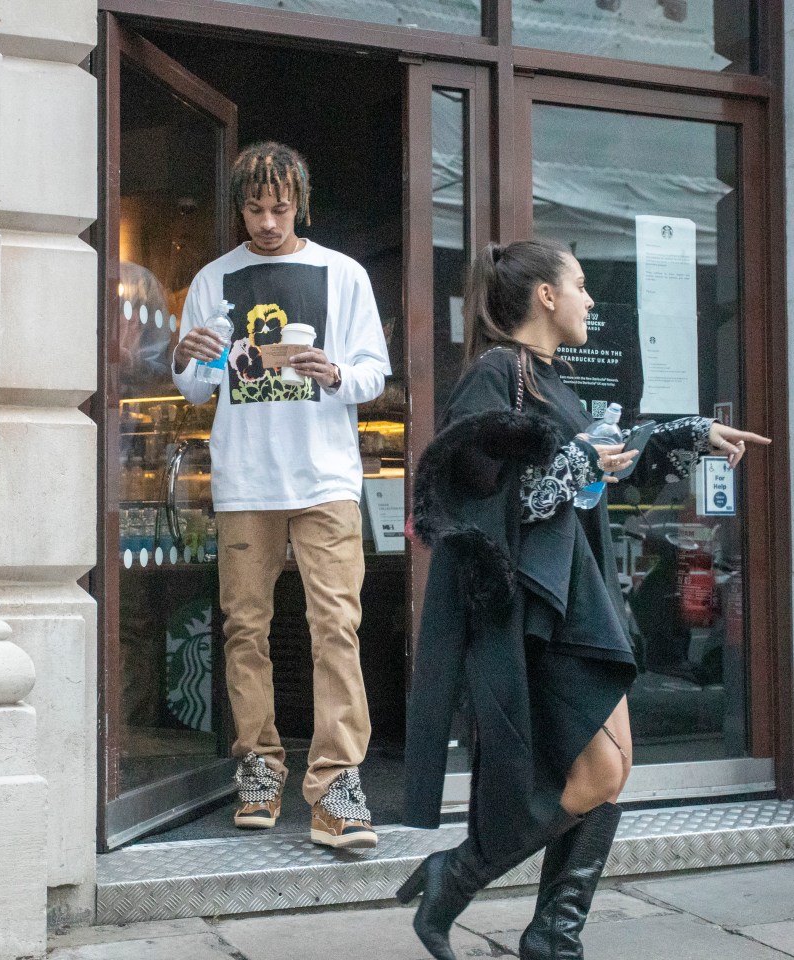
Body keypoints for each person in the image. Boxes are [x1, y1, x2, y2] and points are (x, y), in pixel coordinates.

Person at [398, 239, 770, 959]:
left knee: (611, 772)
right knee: (598, 772)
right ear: (544, 296)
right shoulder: (496, 372)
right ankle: (459, 876)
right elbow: (473, 494)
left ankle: (554, 935)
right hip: (538, 606)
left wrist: (687, 433)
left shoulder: (542, 378)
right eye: (580, 284)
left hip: (574, 594)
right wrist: (572, 462)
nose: (590, 300)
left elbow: (593, 469)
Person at [171, 142, 391, 850]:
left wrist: (335, 373)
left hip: (326, 477)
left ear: (300, 202)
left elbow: (375, 374)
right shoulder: (214, 279)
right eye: (254, 207)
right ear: (239, 204)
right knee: (244, 628)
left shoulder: (342, 274)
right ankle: (259, 767)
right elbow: (198, 386)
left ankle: (337, 784)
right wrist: (183, 359)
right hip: (245, 479)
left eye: (280, 207)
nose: (267, 221)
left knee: (336, 627)